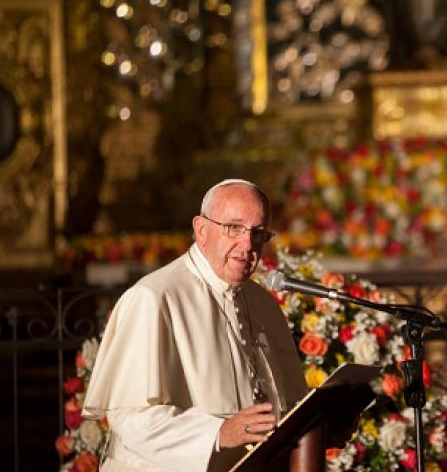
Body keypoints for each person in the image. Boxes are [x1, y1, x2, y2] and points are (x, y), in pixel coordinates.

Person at [83, 179, 322, 472]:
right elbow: (130, 421)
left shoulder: (263, 304)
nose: (247, 245)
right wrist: (218, 434)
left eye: (258, 233)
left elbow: (285, 408)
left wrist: (318, 428)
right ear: (201, 229)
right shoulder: (154, 297)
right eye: (233, 227)